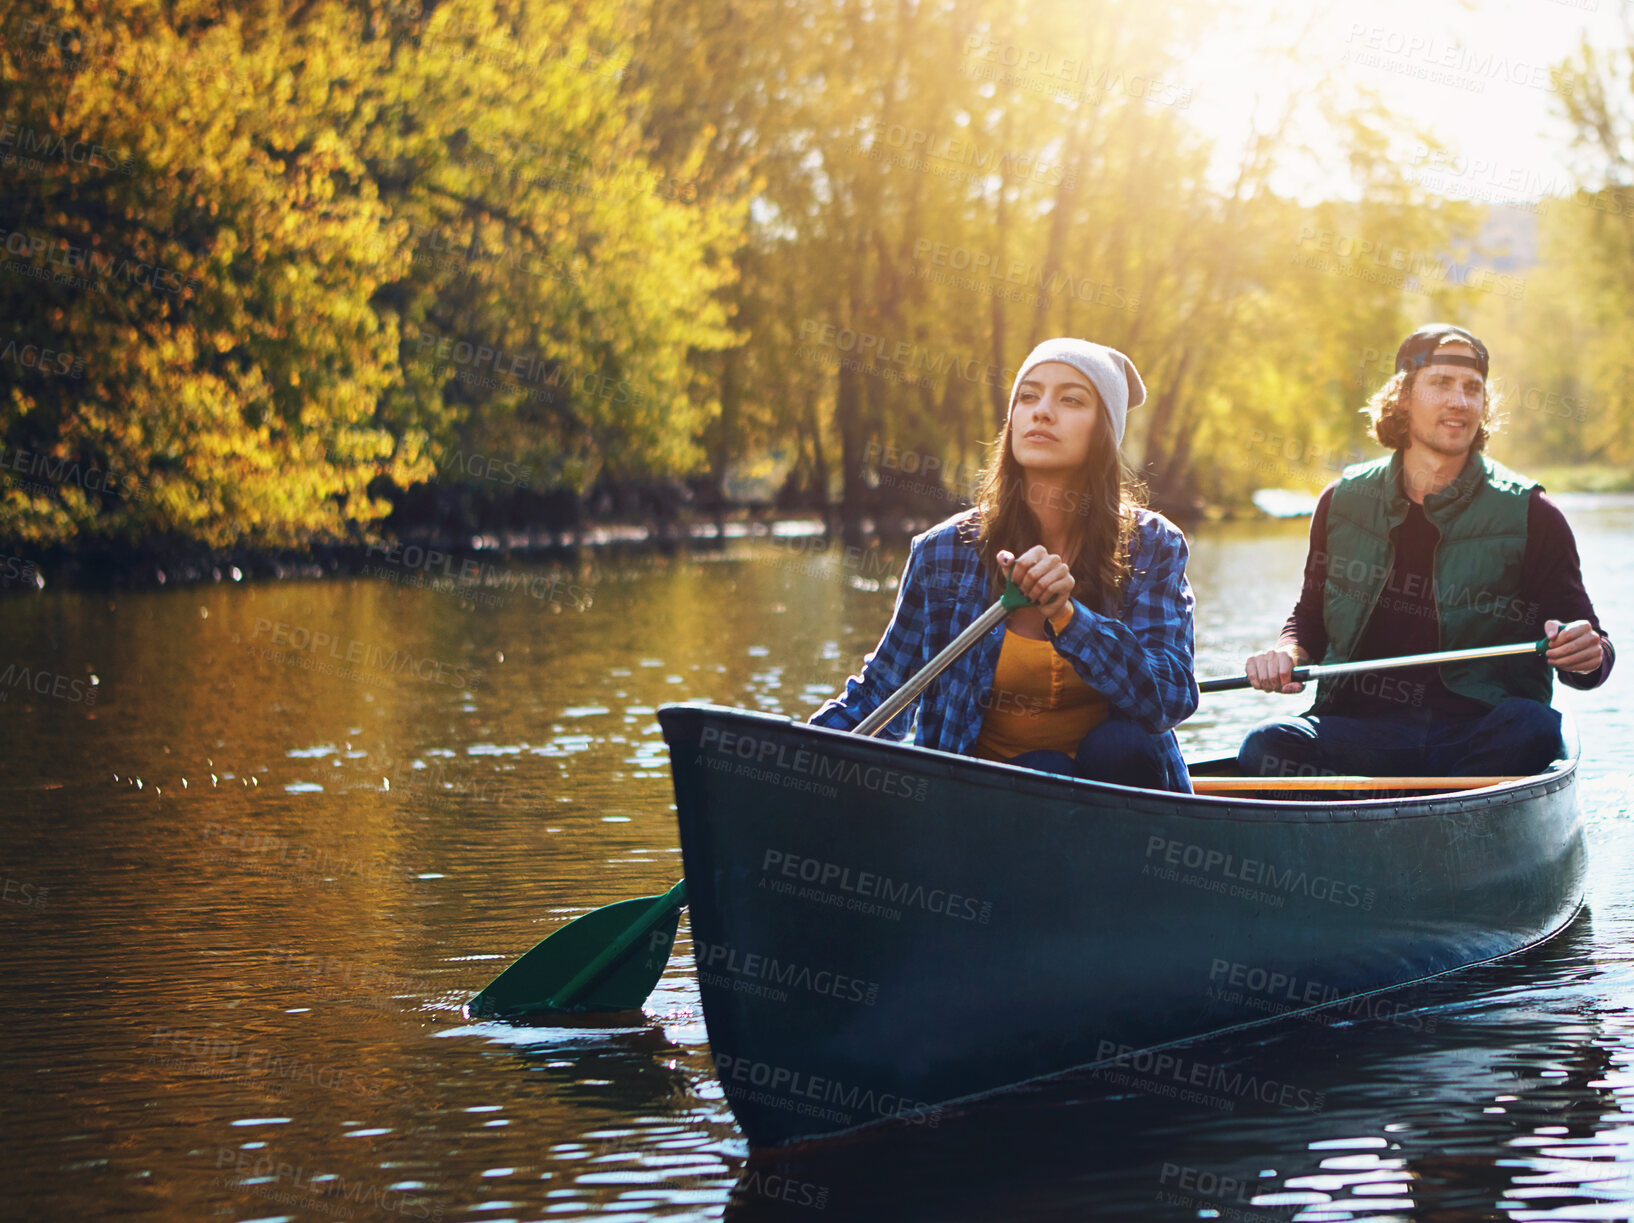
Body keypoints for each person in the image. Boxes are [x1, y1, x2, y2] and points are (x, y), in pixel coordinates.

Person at [809, 337, 1199, 792]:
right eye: (1028, 396)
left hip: (1125, 801)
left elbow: (1169, 698)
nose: (1042, 411)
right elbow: (883, 695)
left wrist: (1069, 618)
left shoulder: (1152, 544)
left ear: (1104, 431)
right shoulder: (944, 553)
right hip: (988, 808)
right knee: (1045, 768)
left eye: (1070, 399)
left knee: (1120, 744)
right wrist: (792, 754)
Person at [1237, 323, 1614, 779]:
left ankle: (1412, 814)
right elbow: (1309, 621)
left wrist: (1588, 654)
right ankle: (1364, 821)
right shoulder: (1342, 502)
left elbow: (1591, 656)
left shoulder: (1534, 513)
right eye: (1441, 384)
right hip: (1359, 731)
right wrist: (1287, 655)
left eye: (1472, 389)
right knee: (1266, 745)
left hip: (1481, 734)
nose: (1460, 401)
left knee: (1535, 727)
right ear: (1403, 397)